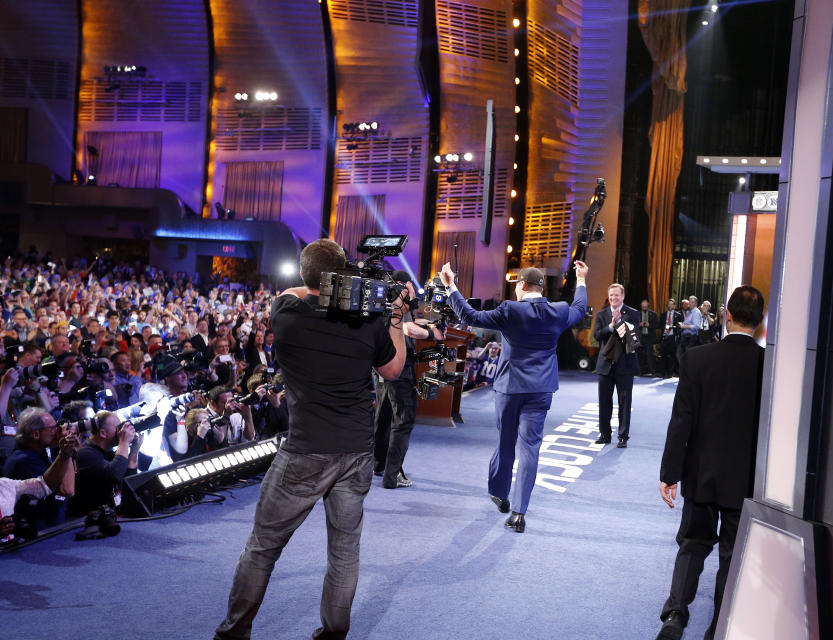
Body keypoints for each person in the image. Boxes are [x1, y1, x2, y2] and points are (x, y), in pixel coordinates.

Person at [215, 238, 409, 640]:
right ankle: (334, 632)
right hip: (356, 451)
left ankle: (233, 634)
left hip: (305, 450)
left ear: (303, 274)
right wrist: (395, 320)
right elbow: (392, 371)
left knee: (263, 546)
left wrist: (332, 281)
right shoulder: (369, 320)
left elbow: (298, 289)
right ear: (341, 277)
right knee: (344, 550)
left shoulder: (285, 312)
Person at [439, 260, 588, 533]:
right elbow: (579, 309)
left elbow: (470, 316)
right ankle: (519, 513)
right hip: (541, 389)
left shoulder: (510, 309)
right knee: (530, 448)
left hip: (510, 388)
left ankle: (499, 492)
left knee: (506, 442)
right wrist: (581, 280)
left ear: (521, 285)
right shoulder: (558, 311)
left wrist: (450, 287)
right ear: (541, 288)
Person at [656, 285, 766, 640]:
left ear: (726, 315)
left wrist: (670, 474)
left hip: (701, 473)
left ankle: (675, 615)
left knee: (692, 544)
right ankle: (720, 626)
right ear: (760, 322)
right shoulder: (770, 367)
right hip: (746, 480)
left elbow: (681, 421)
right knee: (733, 557)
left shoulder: (697, 358)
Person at [373, 270, 443, 490]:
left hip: (382, 368)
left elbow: (410, 321)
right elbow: (407, 328)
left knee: (383, 418)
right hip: (400, 369)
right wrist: (433, 334)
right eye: (410, 286)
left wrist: (426, 324)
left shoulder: (382, 301)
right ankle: (392, 477)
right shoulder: (398, 304)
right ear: (403, 285)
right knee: (402, 422)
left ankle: (378, 465)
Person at [592, 283, 641, 448]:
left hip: (625, 365)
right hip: (605, 365)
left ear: (623, 296)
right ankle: (605, 434)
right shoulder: (601, 314)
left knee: (624, 403)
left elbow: (634, 339)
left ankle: (623, 437)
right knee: (604, 401)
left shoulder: (633, 314)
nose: (613, 298)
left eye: (617, 295)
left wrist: (619, 323)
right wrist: (611, 326)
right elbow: (597, 335)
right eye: (611, 295)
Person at [659, 299, 682, 378]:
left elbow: (680, 327)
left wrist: (675, 331)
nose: (670, 305)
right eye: (668, 304)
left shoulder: (678, 315)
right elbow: (660, 326)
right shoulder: (663, 315)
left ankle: (670, 373)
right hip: (664, 336)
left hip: (673, 337)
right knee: (663, 356)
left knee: (672, 356)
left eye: (672, 304)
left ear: (675, 306)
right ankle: (662, 373)